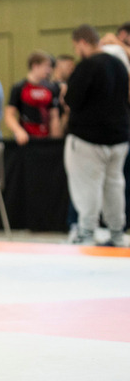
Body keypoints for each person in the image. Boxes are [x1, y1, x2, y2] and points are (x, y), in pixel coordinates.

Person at [64, 25, 130, 246]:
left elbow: (72, 99)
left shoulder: (88, 65)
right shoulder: (119, 64)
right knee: (115, 186)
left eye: (76, 46)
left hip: (89, 138)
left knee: (87, 187)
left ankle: (86, 232)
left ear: (83, 42)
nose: (77, 51)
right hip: (118, 137)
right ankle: (117, 232)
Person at [5, 51, 62, 145]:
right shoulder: (19, 88)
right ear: (35, 66)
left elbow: (54, 116)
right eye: (46, 66)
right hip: (27, 138)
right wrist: (18, 131)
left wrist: (56, 141)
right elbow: (9, 115)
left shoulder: (51, 89)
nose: (49, 70)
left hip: (46, 139)